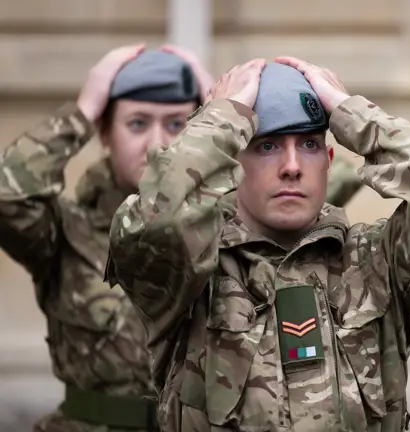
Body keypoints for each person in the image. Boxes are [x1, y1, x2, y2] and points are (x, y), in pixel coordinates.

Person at [0, 44, 362, 431]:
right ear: (104, 133)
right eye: (137, 124)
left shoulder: (238, 222)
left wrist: (221, 114)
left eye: (176, 124)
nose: (157, 143)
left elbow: (326, 171)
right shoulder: (66, 229)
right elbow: (8, 199)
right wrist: (82, 112)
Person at [105, 58, 410, 431]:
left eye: (308, 144)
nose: (292, 166)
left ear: (328, 161)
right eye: (268, 145)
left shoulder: (376, 262)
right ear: (233, 164)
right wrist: (221, 121)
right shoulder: (193, 272)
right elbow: (152, 223)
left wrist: (350, 112)